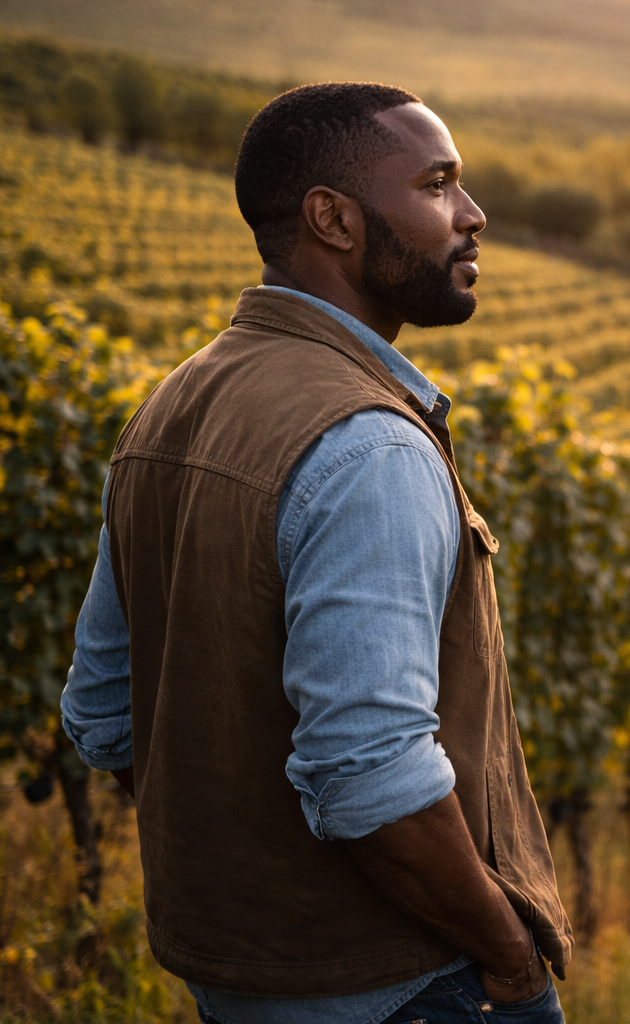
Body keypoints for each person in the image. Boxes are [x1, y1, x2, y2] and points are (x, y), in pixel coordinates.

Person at [60, 82, 571, 1024]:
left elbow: (103, 712)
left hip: (238, 980)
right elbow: (372, 777)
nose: (472, 214)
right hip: (400, 987)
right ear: (333, 220)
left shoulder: (170, 405)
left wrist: (255, 852)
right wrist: (510, 961)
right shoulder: (370, 448)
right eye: (437, 185)